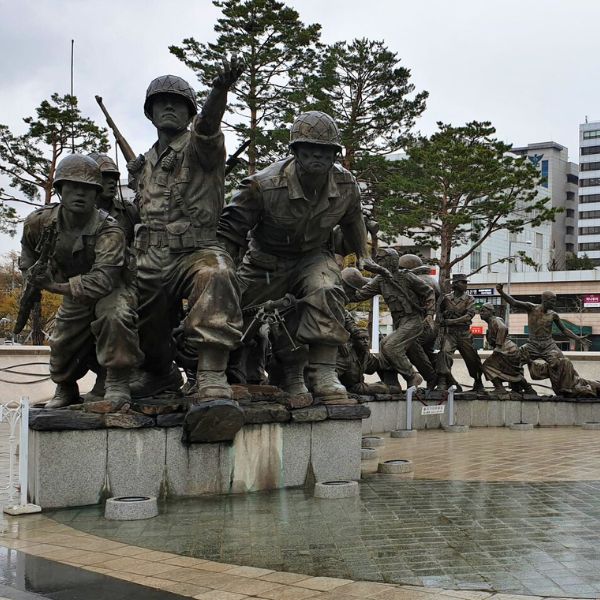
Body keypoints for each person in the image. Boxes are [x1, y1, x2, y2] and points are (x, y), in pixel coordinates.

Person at [218, 111, 372, 405]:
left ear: (335, 154)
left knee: (326, 289)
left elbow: (353, 220)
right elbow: (231, 229)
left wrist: (362, 255)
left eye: (325, 151)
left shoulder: (346, 185)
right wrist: (223, 267)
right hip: (265, 259)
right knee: (230, 307)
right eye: (309, 149)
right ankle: (216, 371)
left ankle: (323, 374)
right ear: (295, 152)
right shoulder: (262, 185)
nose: (317, 156)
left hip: (313, 256)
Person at [129, 59, 244, 401]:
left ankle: (211, 374)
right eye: (161, 101)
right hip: (151, 256)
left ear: (190, 112)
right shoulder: (147, 161)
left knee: (216, 275)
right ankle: (159, 375)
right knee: (129, 308)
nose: (168, 106)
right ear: (150, 112)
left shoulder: (200, 146)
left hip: (197, 249)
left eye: (178, 102)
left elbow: (209, 125)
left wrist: (219, 91)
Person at [20, 154, 143, 408]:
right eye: (73, 187)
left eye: (87, 189)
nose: (80, 194)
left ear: (96, 195)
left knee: (115, 315)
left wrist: (52, 286)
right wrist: (31, 277)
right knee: (63, 340)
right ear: (59, 191)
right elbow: (27, 258)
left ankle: (118, 383)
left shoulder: (109, 228)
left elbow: (103, 280)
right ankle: (65, 387)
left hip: (113, 287)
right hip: (73, 291)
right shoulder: (38, 222)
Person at [84, 153, 140, 402]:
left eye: (114, 177)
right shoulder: (77, 213)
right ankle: (68, 384)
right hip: (84, 284)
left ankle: (113, 379)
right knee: (68, 336)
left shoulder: (128, 211)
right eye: (104, 176)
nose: (110, 182)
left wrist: (141, 177)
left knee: (116, 315)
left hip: (121, 283)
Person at [350, 248, 436, 389]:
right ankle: (428, 378)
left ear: (391, 261)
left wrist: (429, 314)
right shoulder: (380, 280)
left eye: (381, 259)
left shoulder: (406, 276)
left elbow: (429, 292)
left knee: (390, 347)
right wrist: (341, 292)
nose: (378, 262)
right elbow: (360, 295)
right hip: (399, 322)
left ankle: (413, 376)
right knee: (413, 353)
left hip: (414, 320)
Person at [496, 284, 589, 364]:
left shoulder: (553, 315)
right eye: (552, 301)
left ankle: (571, 383)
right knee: (514, 362)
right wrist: (501, 292)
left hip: (549, 345)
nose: (554, 303)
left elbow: (564, 330)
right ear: (545, 300)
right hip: (532, 345)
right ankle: (516, 384)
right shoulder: (531, 308)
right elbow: (514, 302)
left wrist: (577, 338)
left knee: (563, 363)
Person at [436, 274, 484, 391]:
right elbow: (439, 313)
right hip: (450, 334)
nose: (466, 285)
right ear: (456, 284)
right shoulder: (446, 298)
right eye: (463, 282)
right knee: (444, 354)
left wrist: (451, 321)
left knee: (472, 358)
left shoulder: (469, 299)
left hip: (464, 334)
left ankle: (478, 382)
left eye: (466, 282)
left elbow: (468, 316)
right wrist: (442, 319)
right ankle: (442, 381)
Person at [479, 302, 534, 394]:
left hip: (506, 350)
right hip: (507, 350)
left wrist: (498, 346)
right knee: (510, 372)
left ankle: (500, 388)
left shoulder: (495, 320)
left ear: (491, 312)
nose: (481, 313)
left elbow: (503, 328)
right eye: (480, 311)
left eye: (483, 311)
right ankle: (528, 388)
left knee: (487, 366)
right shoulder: (491, 323)